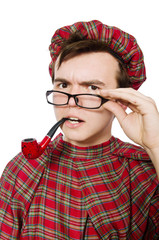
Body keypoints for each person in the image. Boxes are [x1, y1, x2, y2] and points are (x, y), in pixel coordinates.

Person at [0, 20, 159, 239]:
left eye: (92, 87)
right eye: (63, 85)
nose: (71, 102)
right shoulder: (22, 169)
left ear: (121, 99)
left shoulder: (144, 171)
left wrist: (156, 145)